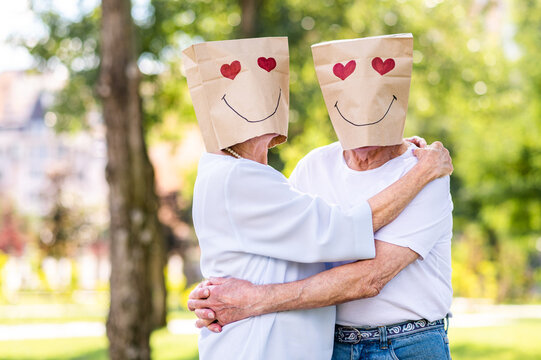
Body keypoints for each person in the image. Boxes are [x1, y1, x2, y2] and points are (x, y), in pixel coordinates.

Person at [182, 36, 452, 360]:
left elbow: (369, 278)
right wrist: (217, 294)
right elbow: (310, 239)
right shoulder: (312, 167)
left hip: (408, 344)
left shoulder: (427, 173)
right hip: (334, 346)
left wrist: (248, 298)